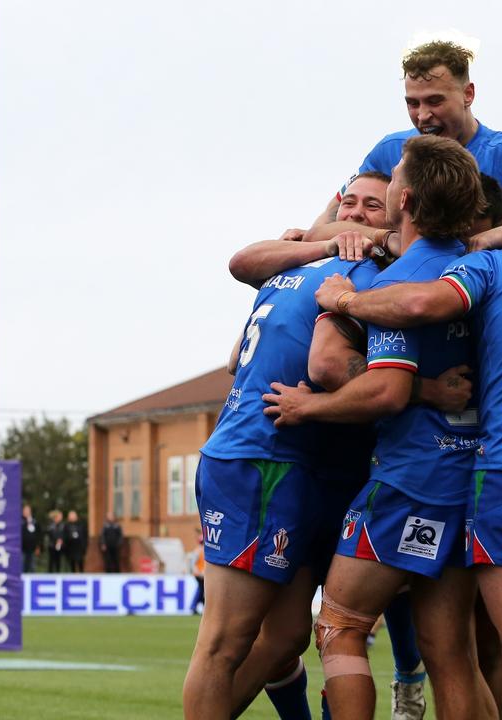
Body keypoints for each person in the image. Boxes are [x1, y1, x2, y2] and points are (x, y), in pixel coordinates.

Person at [296, 199, 502, 720]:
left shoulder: (473, 267)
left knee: (341, 626)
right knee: (481, 648)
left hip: (466, 472)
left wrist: (345, 299)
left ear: (408, 200)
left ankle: (405, 680)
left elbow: (416, 312)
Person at [263, 134, 498, 720]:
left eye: (392, 178)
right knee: (454, 656)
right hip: (473, 481)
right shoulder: (479, 269)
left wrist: (306, 407)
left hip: (412, 480)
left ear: (407, 200)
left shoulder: (394, 283)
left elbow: (379, 386)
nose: (384, 185)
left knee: (340, 627)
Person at [181, 173, 398, 720]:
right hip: (261, 457)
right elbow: (322, 364)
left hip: (303, 465)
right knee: (224, 642)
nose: (355, 213)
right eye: (347, 202)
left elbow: (235, 357)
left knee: (285, 637)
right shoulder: (335, 268)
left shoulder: (324, 269)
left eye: (373, 205)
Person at [316, 39, 502, 266]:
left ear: (468, 94)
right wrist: (304, 242)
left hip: (485, 298)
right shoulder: (391, 150)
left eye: (435, 101)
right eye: (413, 103)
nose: (422, 116)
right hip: (404, 291)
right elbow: (329, 220)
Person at [188, 530, 206, 615]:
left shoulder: (199, 550)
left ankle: (195, 606)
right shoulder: (199, 551)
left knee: (201, 590)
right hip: (199, 574)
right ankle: (194, 606)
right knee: (202, 590)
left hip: (201, 574)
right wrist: (198, 572)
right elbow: (193, 564)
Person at [20, 504, 39, 573]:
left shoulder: (34, 521)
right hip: (22, 548)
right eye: (25, 510)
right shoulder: (20, 521)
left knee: (32, 567)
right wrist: (26, 524)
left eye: (28, 510)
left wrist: (38, 546)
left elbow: (38, 534)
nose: (26, 512)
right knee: (22, 566)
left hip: (32, 548)